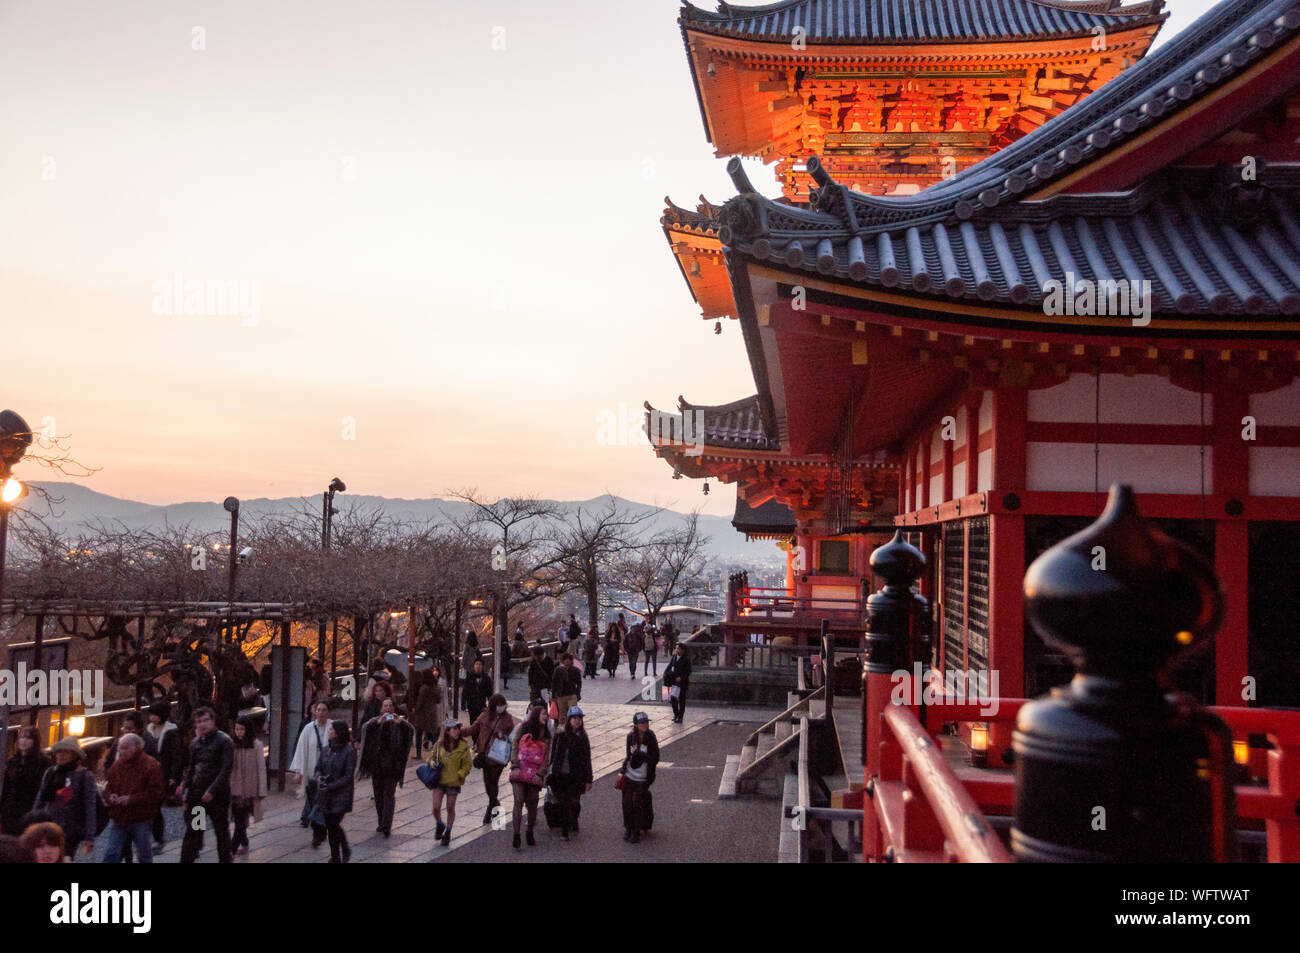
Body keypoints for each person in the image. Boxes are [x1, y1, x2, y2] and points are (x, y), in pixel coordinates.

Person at [179, 706, 235, 864]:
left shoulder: (224, 741)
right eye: (198, 721)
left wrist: (212, 790)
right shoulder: (196, 743)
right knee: (194, 831)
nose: (202, 724)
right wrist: (186, 791)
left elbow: (226, 768)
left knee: (221, 832)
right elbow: (191, 768)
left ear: (213, 721)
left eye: (205, 720)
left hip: (218, 795)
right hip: (198, 795)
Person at [101, 733, 164, 864]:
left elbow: (156, 793)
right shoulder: (117, 765)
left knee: (144, 855)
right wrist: (110, 796)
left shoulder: (150, 765)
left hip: (140, 817)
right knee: (111, 853)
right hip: (119, 816)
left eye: (124, 748)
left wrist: (131, 799)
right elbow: (107, 786)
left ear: (136, 748)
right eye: (119, 747)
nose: (120, 751)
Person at [356, 696, 413, 838]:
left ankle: (386, 824)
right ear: (381, 709)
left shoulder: (399, 722)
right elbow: (364, 730)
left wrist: (401, 724)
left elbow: (410, 731)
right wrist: (377, 723)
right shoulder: (375, 721)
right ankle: (381, 821)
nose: (388, 708)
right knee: (378, 794)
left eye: (390, 706)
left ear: (393, 708)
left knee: (389, 794)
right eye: (385, 706)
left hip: (393, 764)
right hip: (377, 764)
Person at [33, 737, 96, 858]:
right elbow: (40, 798)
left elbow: (90, 806)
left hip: (71, 830)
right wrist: (33, 822)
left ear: (74, 755)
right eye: (59, 752)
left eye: (65, 752)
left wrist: (89, 836)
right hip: (49, 826)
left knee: (64, 858)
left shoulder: (84, 776)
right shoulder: (51, 773)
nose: (61, 755)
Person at [507, 704, 550, 850]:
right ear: (536, 714)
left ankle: (530, 829)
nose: (546, 717)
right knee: (518, 801)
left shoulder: (546, 734)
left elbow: (546, 757)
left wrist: (540, 773)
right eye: (544, 714)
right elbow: (514, 745)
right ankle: (516, 834)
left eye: (547, 715)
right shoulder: (523, 727)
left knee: (532, 804)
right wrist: (515, 765)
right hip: (520, 770)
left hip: (535, 774)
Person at [467, 694, 514, 826]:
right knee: (488, 785)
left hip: (498, 756)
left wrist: (503, 735)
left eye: (503, 704)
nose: (501, 707)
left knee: (493, 782)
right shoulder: (484, 715)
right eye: (499, 704)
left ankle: (493, 812)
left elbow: (513, 735)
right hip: (485, 755)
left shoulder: (507, 718)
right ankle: (493, 806)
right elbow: (473, 728)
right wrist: (458, 732)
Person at [290, 699, 332, 847]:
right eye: (318, 710)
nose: (321, 713)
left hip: (327, 773)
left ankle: (321, 831)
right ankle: (317, 833)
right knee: (314, 802)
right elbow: (301, 749)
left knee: (323, 803)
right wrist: (299, 771)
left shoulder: (332, 727)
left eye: (324, 710)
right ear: (315, 712)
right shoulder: (308, 729)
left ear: (328, 712)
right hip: (312, 772)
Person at [548, 706, 592, 841]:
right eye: (574, 718)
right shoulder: (560, 734)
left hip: (576, 775)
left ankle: (574, 819)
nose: (577, 721)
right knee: (563, 802)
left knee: (575, 802)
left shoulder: (583, 737)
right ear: (569, 720)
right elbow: (553, 754)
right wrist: (551, 771)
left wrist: (589, 779)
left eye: (579, 718)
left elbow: (587, 758)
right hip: (561, 774)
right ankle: (565, 830)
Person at [314, 720, 356, 863]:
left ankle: (342, 851)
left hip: (341, 794)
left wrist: (331, 786)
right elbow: (319, 768)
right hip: (326, 795)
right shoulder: (326, 750)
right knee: (331, 825)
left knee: (334, 823)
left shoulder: (349, 751)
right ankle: (337, 854)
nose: (329, 732)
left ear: (338, 733)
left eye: (332, 730)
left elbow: (348, 776)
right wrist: (319, 778)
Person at [145, 702, 185, 850]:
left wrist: (175, 775)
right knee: (151, 806)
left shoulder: (171, 731)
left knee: (156, 806)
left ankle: (158, 837)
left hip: (164, 773)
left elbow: (176, 755)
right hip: (149, 773)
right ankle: (153, 836)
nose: (151, 717)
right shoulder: (148, 730)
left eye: (154, 714)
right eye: (150, 714)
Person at [428, 718, 472, 847]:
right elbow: (431, 758)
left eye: (458, 728)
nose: (457, 731)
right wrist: (431, 763)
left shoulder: (463, 746)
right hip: (439, 780)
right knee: (436, 807)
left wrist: (460, 775)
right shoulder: (439, 745)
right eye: (454, 729)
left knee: (450, 807)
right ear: (447, 731)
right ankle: (439, 823)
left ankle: (448, 831)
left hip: (453, 781)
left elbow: (467, 765)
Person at [618, 712, 659, 843]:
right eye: (642, 723)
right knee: (627, 802)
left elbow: (655, 758)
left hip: (644, 777)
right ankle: (628, 828)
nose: (645, 725)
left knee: (638, 804)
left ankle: (636, 831)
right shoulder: (631, 737)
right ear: (636, 725)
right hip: (630, 774)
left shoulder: (651, 736)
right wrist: (622, 770)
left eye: (646, 722)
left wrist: (641, 754)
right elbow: (629, 758)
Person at [1, 726, 50, 836]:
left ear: (35, 741)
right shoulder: (12, 761)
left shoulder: (43, 762)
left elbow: (44, 788)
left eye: (28, 738)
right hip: (10, 809)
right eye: (21, 737)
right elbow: (6, 787)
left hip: (30, 807)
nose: (23, 741)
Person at [229, 716, 267, 856]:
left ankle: (231, 850)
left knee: (240, 820)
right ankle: (244, 843)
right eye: (237, 729)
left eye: (242, 729)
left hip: (250, 790)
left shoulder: (256, 745)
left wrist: (261, 789)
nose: (239, 732)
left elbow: (261, 769)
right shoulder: (232, 745)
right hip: (235, 789)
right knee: (239, 819)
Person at [409, 668, 443, 758]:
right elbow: (438, 700)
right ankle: (438, 752)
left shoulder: (424, 688)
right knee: (431, 734)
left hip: (422, 714)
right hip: (432, 713)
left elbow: (420, 702)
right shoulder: (437, 687)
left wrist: (415, 710)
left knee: (419, 734)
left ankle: (418, 754)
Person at [664, 642, 693, 724]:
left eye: (678, 648)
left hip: (682, 683)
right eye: (676, 648)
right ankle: (676, 715)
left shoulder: (686, 659)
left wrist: (682, 677)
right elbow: (670, 666)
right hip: (673, 681)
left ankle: (680, 717)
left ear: (683, 650)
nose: (677, 650)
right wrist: (666, 673)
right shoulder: (674, 657)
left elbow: (688, 671)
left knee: (681, 700)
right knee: (673, 698)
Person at [550, 653, 582, 726]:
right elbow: (554, 683)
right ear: (562, 661)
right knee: (562, 713)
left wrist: (578, 693)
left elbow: (579, 683)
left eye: (569, 659)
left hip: (572, 694)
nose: (567, 661)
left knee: (573, 712)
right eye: (565, 659)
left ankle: (572, 726)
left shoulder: (575, 670)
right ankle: (563, 727)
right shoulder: (558, 670)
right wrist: (553, 696)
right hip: (561, 695)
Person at [463, 658, 492, 724]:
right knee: (473, 723)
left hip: (482, 705)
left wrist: (490, 705)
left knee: (482, 724)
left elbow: (489, 693)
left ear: (482, 666)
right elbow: (465, 692)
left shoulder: (486, 678)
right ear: (474, 666)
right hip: (471, 705)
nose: (478, 666)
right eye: (476, 664)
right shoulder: (469, 677)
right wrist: (463, 705)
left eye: (480, 664)